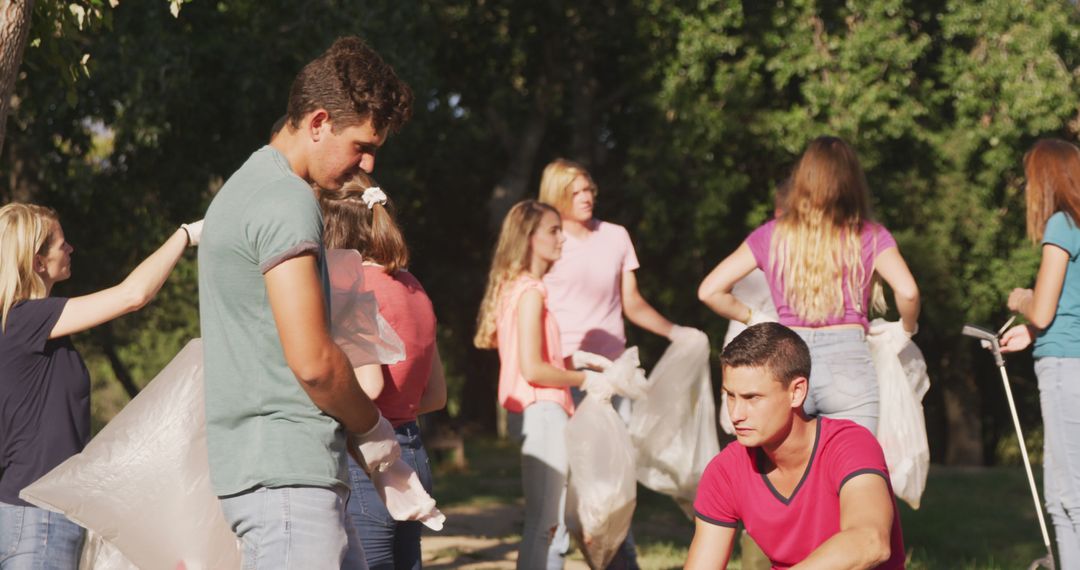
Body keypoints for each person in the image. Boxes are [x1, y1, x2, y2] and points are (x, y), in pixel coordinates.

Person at [198, 36, 413, 568]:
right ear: (318, 122)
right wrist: (375, 432)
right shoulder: (286, 199)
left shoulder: (245, 187)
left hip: (282, 476)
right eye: (361, 145)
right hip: (287, 481)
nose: (366, 165)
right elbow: (315, 362)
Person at [0, 202, 199, 568]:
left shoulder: (33, 329)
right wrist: (186, 235)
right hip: (36, 520)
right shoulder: (25, 319)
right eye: (62, 244)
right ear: (38, 262)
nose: (71, 248)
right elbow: (132, 296)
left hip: (39, 516)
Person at [698, 136, 920, 434]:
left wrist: (756, 318)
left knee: (792, 479)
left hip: (789, 363)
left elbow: (710, 290)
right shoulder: (870, 235)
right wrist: (906, 329)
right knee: (854, 473)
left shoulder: (771, 235)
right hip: (849, 363)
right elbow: (908, 292)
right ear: (853, 181)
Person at [538, 158, 696, 568]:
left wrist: (676, 332)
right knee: (560, 490)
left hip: (613, 379)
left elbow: (633, 303)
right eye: (575, 192)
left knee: (612, 487)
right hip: (562, 376)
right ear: (555, 196)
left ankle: (620, 559)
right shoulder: (546, 241)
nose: (586, 197)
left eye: (589, 189)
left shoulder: (616, 236)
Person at [475, 200, 622, 570]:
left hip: (544, 412)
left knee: (546, 525)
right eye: (553, 231)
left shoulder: (520, 288)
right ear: (529, 237)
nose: (562, 239)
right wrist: (585, 378)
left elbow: (536, 359)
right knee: (544, 526)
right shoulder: (530, 292)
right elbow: (534, 369)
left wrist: (578, 361)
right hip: (545, 413)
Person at [686, 322, 905, 569]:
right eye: (730, 396)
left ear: (797, 392)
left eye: (752, 398)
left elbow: (870, 542)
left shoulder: (849, 444)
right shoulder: (726, 471)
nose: (736, 414)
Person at [320, 173, 447, 570]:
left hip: (368, 457)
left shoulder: (350, 286)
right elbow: (435, 395)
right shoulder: (414, 287)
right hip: (413, 449)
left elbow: (369, 385)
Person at [1000, 138, 1080, 568]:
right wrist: (1030, 332)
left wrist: (1022, 300)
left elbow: (1046, 308)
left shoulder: (1063, 224)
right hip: (1071, 360)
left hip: (1067, 368)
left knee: (1067, 499)